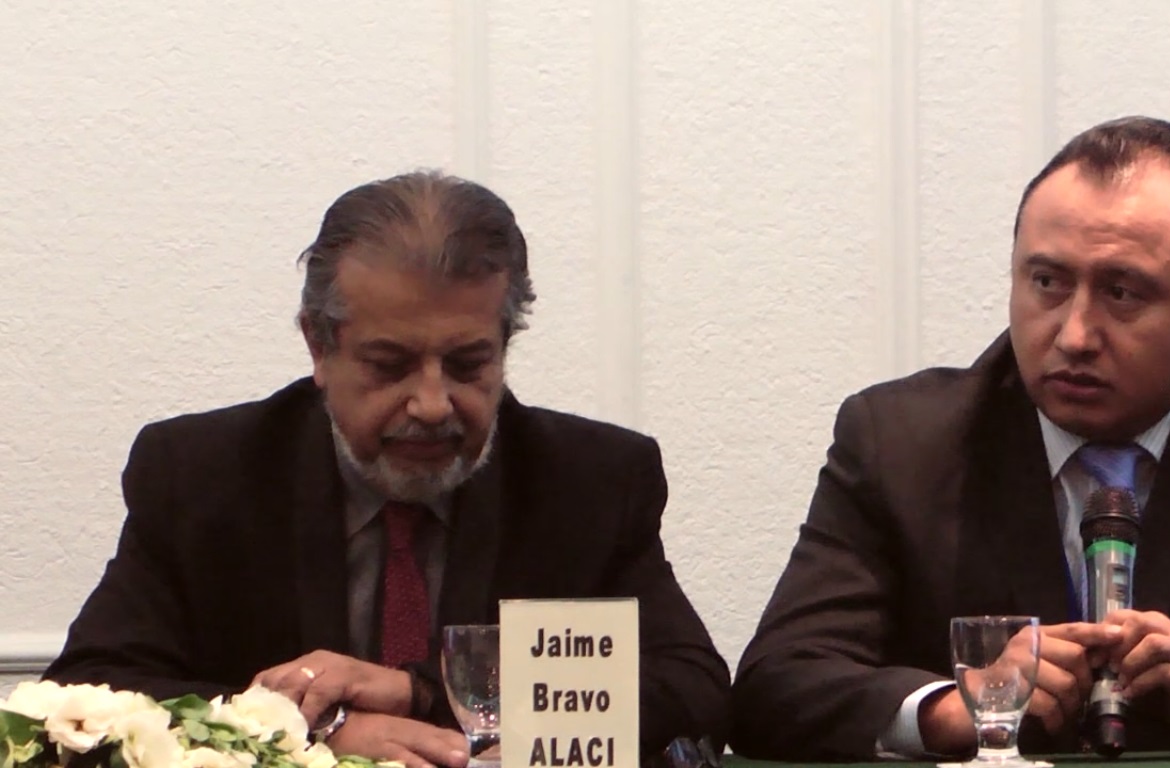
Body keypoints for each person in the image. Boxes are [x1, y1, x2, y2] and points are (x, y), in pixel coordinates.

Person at [730, 116, 1170, 760]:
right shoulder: (898, 442)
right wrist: (958, 710)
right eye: (1047, 283)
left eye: (1122, 293)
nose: (1074, 335)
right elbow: (779, 683)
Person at [45, 171, 730, 768]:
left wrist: (420, 690)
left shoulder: (591, 479)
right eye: (389, 365)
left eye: (468, 364)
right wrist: (307, 733)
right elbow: (89, 692)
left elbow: (691, 687)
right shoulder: (203, 473)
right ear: (319, 346)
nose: (432, 404)